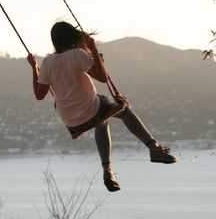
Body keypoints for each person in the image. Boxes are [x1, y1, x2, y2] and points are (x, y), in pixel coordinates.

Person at [26, 21, 177, 192]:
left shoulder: (47, 63)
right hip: (92, 108)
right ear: (71, 37)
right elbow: (102, 77)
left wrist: (34, 68)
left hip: (71, 120)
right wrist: (93, 49)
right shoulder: (77, 54)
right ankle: (154, 147)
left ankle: (107, 171)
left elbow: (39, 95)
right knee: (123, 108)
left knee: (102, 121)